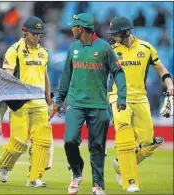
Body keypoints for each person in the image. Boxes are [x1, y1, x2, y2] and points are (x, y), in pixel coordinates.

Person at [56, 13, 127, 195]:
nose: (71, 29)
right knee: (70, 140)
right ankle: (77, 172)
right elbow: (66, 76)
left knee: (97, 147)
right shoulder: (73, 49)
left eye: (74, 26)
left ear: (81, 28)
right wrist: (59, 100)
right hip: (75, 102)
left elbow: (118, 72)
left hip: (98, 104)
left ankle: (97, 185)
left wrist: (121, 97)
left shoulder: (104, 48)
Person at [106, 16, 174, 192]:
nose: (113, 36)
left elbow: (161, 69)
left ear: (126, 32)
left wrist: (170, 85)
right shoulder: (111, 50)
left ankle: (121, 165)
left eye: (116, 33)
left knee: (148, 144)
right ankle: (131, 181)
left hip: (141, 99)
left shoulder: (146, 47)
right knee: (126, 136)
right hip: (118, 98)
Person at [0, 16, 53, 187]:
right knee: (19, 142)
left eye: (39, 34)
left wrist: (49, 98)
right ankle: (4, 166)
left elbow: (45, 76)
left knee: (41, 143)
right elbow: (7, 74)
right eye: (34, 33)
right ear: (25, 31)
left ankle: (35, 178)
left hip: (40, 103)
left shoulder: (43, 52)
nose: (37, 37)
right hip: (20, 102)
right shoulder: (14, 50)